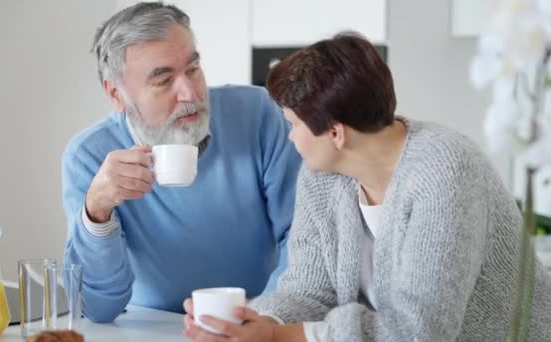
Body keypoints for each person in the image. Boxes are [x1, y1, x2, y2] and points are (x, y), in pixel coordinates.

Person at [182, 32, 551, 341]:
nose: (290, 137)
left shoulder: (446, 171)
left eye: (293, 124)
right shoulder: (322, 176)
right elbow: (308, 290)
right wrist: (254, 323)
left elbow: (420, 331)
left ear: (335, 132)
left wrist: (281, 337)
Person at [61, 2, 301, 322]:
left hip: (260, 323)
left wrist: (266, 318)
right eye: (163, 80)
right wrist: (96, 212)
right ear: (116, 95)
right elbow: (99, 309)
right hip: (153, 329)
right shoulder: (89, 157)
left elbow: (302, 241)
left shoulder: (260, 115)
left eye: (192, 68)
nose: (189, 92)